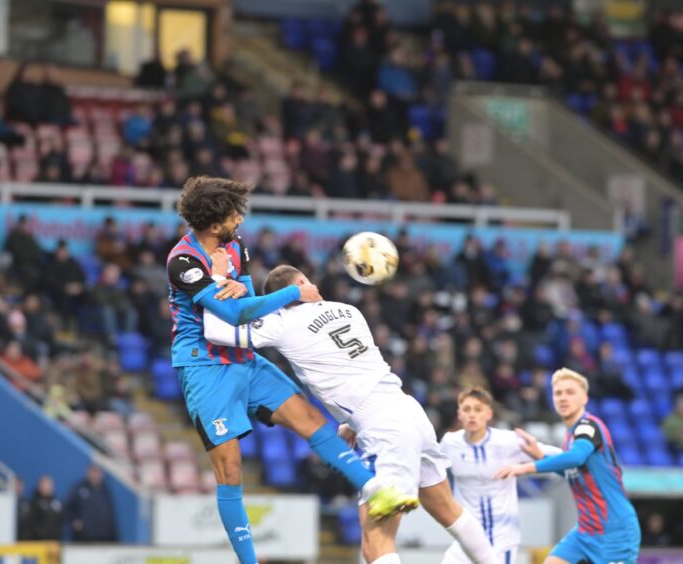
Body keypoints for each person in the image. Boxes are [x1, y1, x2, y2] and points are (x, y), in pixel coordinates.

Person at [167, 177, 412, 564]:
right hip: (204, 366)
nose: (239, 220)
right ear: (214, 224)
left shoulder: (235, 245)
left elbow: (247, 302)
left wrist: (234, 289)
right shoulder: (182, 261)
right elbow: (234, 312)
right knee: (230, 470)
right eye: (234, 215)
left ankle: (376, 488)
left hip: (244, 359)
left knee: (310, 418)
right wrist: (293, 293)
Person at [203, 264, 498, 564]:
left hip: (383, 428)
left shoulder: (282, 322)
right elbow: (350, 368)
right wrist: (351, 422)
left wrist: (213, 282)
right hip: (408, 410)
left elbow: (215, 332)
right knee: (449, 510)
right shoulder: (348, 310)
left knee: (376, 542)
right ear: (302, 284)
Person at [494, 368, 640, 564]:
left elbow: (576, 458)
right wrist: (540, 453)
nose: (563, 398)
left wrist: (526, 467)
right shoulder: (570, 436)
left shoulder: (588, 426)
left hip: (615, 532)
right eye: (558, 393)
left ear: (584, 398)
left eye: (570, 392)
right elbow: (573, 472)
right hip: (585, 532)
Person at [440, 387, 562, 564]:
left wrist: (535, 460)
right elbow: (428, 469)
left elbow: (559, 457)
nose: (472, 415)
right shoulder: (450, 443)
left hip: (500, 538)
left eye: (478, 409)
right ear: (459, 414)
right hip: (465, 539)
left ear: (489, 414)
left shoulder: (508, 441)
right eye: (467, 409)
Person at [65, 465, 117, 542]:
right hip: (84, 538)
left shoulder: (105, 491)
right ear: (88, 473)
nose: (95, 475)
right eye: (93, 472)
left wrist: (114, 536)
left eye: (98, 472)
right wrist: (74, 520)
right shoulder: (79, 488)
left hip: (104, 538)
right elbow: (66, 508)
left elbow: (111, 515)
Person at [28, 475, 64, 540]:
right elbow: (31, 523)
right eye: (45, 484)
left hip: (54, 542)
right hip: (38, 542)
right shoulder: (33, 504)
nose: (47, 487)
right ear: (39, 486)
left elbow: (61, 520)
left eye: (49, 485)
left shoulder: (57, 503)